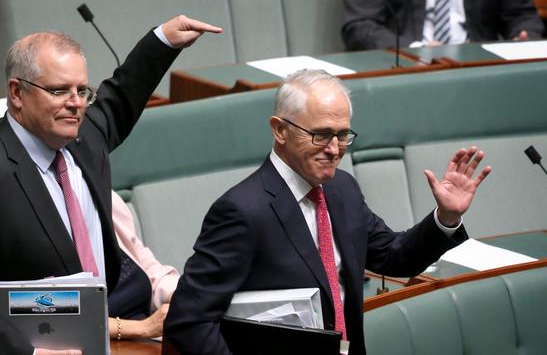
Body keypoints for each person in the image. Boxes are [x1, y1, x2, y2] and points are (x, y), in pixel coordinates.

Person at [0, 16, 221, 355]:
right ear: (17, 93)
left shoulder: (83, 138)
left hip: (98, 335)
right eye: (59, 90)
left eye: (81, 91)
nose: (75, 103)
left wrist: (162, 41)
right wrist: (26, 352)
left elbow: (120, 97)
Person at [163, 69, 491, 355]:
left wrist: (445, 218)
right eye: (320, 135)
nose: (334, 149)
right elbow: (189, 320)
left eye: (343, 135)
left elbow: (393, 257)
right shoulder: (242, 211)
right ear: (280, 130)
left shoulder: (341, 189)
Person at [342, 0, 545, 51]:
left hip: (478, 66)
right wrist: (417, 49)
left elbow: (522, 16)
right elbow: (360, 27)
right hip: (407, 68)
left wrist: (524, 39)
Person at [107, 191, 179, 340]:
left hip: (149, 334)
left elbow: (147, 267)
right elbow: (55, 312)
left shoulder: (106, 196)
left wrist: (184, 295)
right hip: (104, 344)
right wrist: (143, 328)